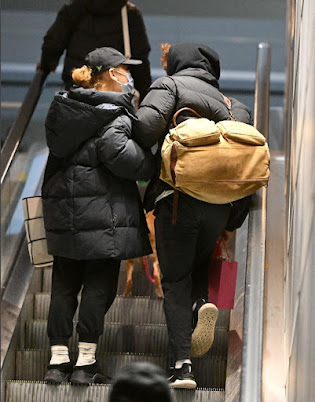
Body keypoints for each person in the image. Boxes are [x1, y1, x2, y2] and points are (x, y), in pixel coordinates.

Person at [132, 43, 252, 388]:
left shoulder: (169, 86)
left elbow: (144, 129)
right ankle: (202, 304)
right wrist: (233, 218)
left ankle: (182, 366)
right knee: (198, 267)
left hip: (178, 202)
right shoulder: (235, 107)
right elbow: (245, 164)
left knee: (174, 281)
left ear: (177, 64)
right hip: (217, 205)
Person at [42, 47, 155, 385]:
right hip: (104, 215)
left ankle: (57, 360)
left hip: (65, 211)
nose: (128, 76)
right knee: (97, 287)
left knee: (63, 285)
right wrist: (151, 163)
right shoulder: (114, 114)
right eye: (123, 70)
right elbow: (123, 157)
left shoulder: (63, 108)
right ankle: (85, 364)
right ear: (108, 74)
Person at [37, 0, 151, 101]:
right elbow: (141, 58)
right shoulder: (129, 13)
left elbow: (53, 43)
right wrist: (145, 97)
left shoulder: (74, 8)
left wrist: (47, 65)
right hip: (114, 88)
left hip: (79, 81)